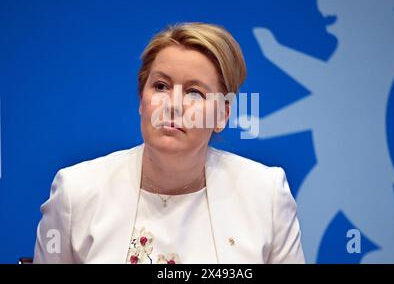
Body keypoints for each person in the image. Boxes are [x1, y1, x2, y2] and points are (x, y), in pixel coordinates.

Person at [34, 22, 305, 264]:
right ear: (142, 100)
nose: (173, 105)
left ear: (223, 114)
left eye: (194, 92)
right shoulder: (77, 192)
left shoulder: (265, 194)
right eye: (161, 86)